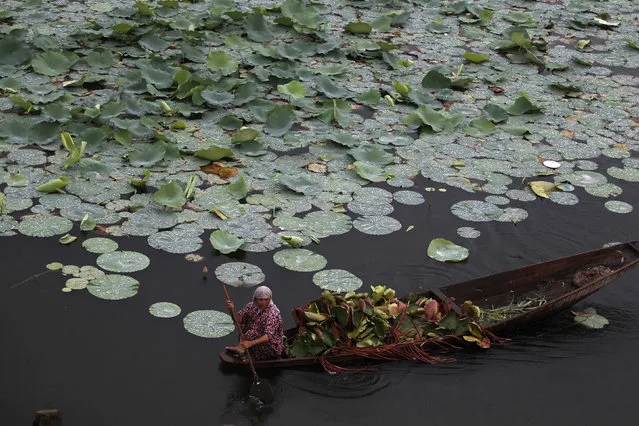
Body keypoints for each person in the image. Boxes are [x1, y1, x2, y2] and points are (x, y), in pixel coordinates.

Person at [225, 286, 284, 360]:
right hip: (253, 337)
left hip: (270, 346)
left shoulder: (273, 313)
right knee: (243, 327)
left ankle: (251, 353)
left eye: (266, 300)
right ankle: (242, 347)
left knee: (251, 334)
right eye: (261, 300)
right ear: (255, 299)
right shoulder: (251, 306)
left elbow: (267, 336)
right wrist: (231, 310)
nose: (263, 302)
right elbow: (238, 321)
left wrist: (250, 343)